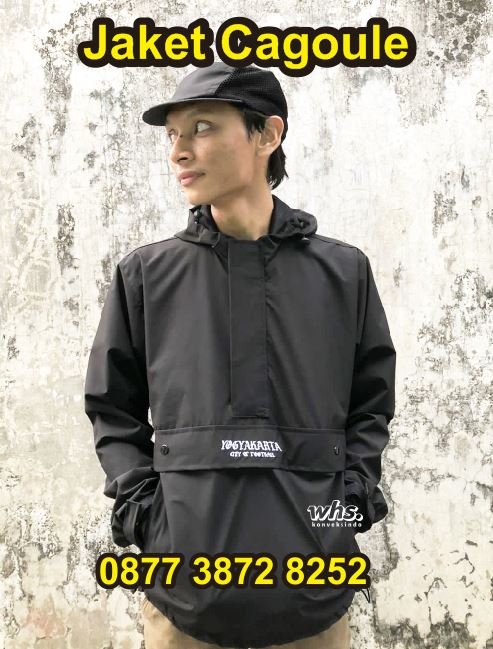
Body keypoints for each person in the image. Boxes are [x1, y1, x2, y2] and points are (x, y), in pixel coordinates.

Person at [84, 62, 396, 649]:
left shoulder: (344, 273)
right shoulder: (146, 275)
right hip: (183, 599)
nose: (179, 151)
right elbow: (112, 410)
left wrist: (345, 512)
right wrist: (148, 520)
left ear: (267, 135)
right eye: (173, 135)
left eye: (202, 127)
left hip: (314, 598)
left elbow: (370, 407)